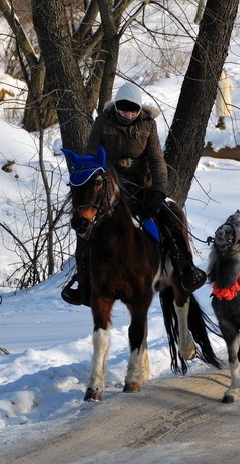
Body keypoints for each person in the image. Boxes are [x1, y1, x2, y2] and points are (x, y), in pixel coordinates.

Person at [62, 82, 207, 305]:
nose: (128, 114)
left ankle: (186, 269)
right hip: (110, 186)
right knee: (86, 226)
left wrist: (158, 190)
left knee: (169, 217)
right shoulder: (102, 122)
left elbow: (156, 159)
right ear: (116, 107)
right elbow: (92, 157)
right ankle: (83, 284)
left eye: (132, 111)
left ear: (139, 109)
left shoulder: (148, 125)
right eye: (123, 110)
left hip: (141, 184)